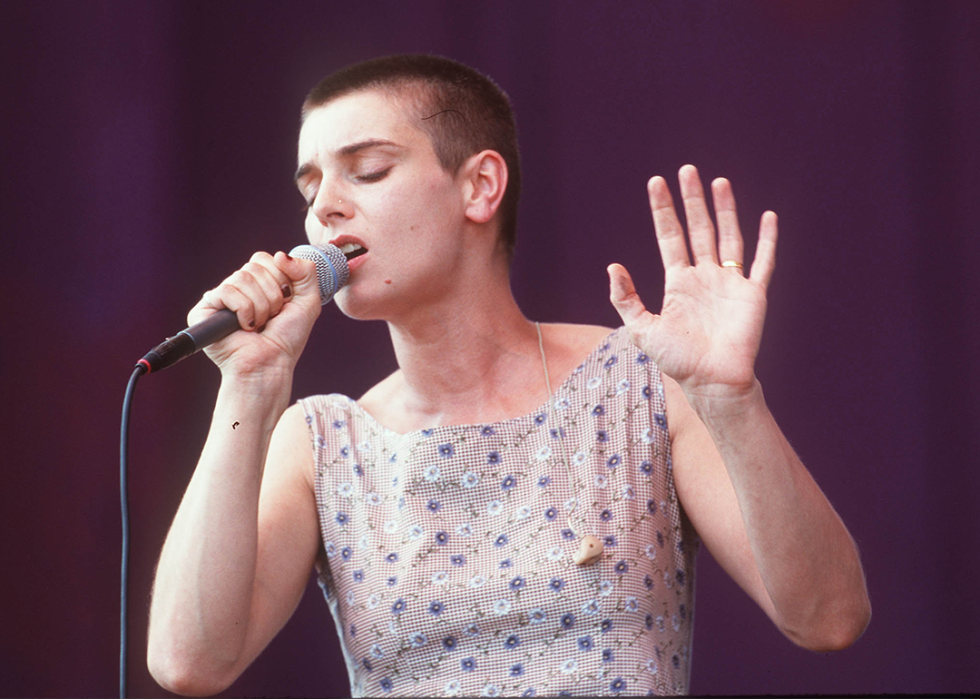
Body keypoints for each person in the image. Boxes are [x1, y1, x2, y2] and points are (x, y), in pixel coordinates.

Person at [146, 55, 870, 697]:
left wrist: (730, 400)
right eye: (311, 186)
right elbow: (189, 663)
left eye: (366, 170)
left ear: (480, 187)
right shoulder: (323, 441)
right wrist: (251, 384)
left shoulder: (640, 385)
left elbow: (828, 617)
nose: (322, 207)